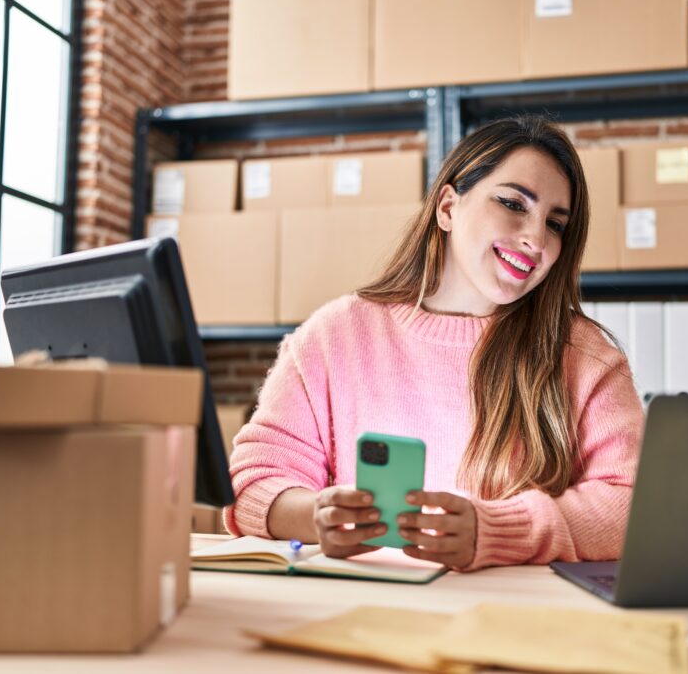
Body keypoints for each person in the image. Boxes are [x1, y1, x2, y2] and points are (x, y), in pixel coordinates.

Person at [224, 116, 645, 571]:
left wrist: (499, 530)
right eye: (513, 203)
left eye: (556, 224)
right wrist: (313, 517)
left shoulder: (585, 355)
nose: (536, 238)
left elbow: (632, 503)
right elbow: (254, 482)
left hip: (519, 621)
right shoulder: (335, 335)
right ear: (447, 207)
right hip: (366, 611)